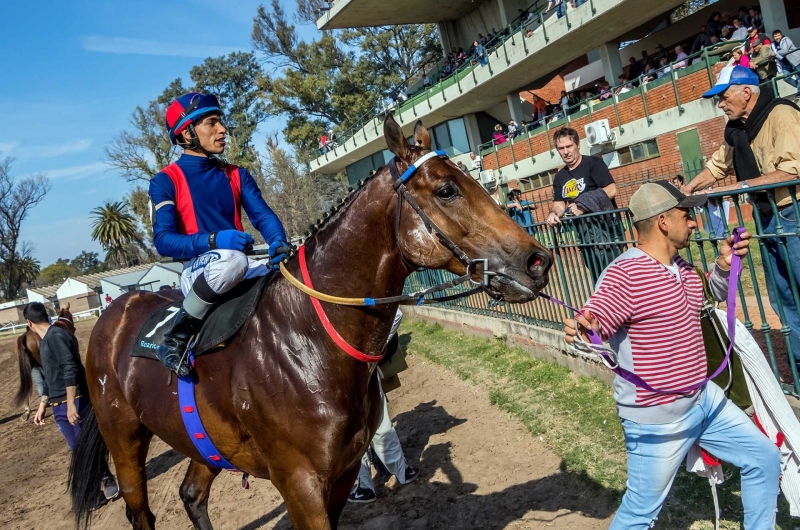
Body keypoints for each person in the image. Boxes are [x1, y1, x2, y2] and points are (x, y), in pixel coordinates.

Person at [564, 181, 779, 529]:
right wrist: (584, 326)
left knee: (764, 457)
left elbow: (708, 293)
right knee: (639, 513)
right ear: (663, 221)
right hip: (658, 418)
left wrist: (725, 266)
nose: (693, 222)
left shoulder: (682, 268)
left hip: (704, 400)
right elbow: (597, 318)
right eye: (686, 214)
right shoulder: (625, 274)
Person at [148, 92, 289, 376]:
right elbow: (163, 241)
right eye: (211, 123)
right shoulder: (165, 180)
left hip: (240, 264)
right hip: (199, 270)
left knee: (294, 278)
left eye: (220, 122)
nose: (222, 129)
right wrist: (213, 240)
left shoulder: (237, 174)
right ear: (187, 132)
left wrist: (278, 241)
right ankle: (175, 338)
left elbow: (262, 216)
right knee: (232, 259)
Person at [682, 64, 800, 376]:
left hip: (793, 213)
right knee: (781, 296)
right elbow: (717, 167)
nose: (720, 103)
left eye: (723, 96)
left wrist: (740, 187)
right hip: (766, 217)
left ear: (746, 92)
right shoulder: (737, 131)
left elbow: (791, 171)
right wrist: (686, 189)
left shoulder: (781, 114)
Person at [28, 302, 120, 505]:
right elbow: (51, 377)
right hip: (59, 403)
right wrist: (43, 405)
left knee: (85, 447)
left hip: (75, 400)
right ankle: (96, 491)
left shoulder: (57, 337)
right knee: (77, 448)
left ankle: (106, 480)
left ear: (29, 322)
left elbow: (70, 368)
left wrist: (70, 404)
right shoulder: (45, 342)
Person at [349, 310, 419, 503]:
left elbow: (396, 314)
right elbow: (396, 314)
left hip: (334, 377)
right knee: (379, 423)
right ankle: (402, 471)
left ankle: (365, 487)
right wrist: (372, 351)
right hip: (364, 369)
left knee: (355, 431)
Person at [546, 127, 622, 284]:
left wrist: (584, 204)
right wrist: (553, 214)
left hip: (608, 231)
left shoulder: (593, 163)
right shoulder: (560, 177)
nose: (566, 151)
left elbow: (612, 189)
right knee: (598, 279)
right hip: (585, 235)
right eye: (561, 148)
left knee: (615, 279)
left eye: (569, 146)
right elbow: (559, 204)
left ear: (577, 145)